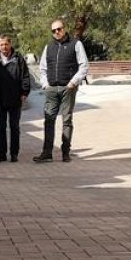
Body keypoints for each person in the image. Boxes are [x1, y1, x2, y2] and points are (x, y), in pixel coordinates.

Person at [34, 19, 88, 163]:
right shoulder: (48, 47)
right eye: (54, 30)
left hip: (67, 88)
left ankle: (65, 153)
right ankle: (47, 153)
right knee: (49, 120)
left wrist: (72, 83)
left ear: (64, 28)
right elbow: (43, 68)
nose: (57, 32)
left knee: (67, 120)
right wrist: (46, 85)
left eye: (59, 29)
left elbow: (84, 65)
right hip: (51, 89)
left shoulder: (76, 44)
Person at [0, 35, 31, 163]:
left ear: (10, 44)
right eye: (1, 45)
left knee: (14, 127)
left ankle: (14, 154)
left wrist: (24, 93)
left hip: (15, 98)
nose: (4, 47)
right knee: (1, 127)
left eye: (6, 44)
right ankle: (2, 154)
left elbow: (25, 76)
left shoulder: (18, 59)